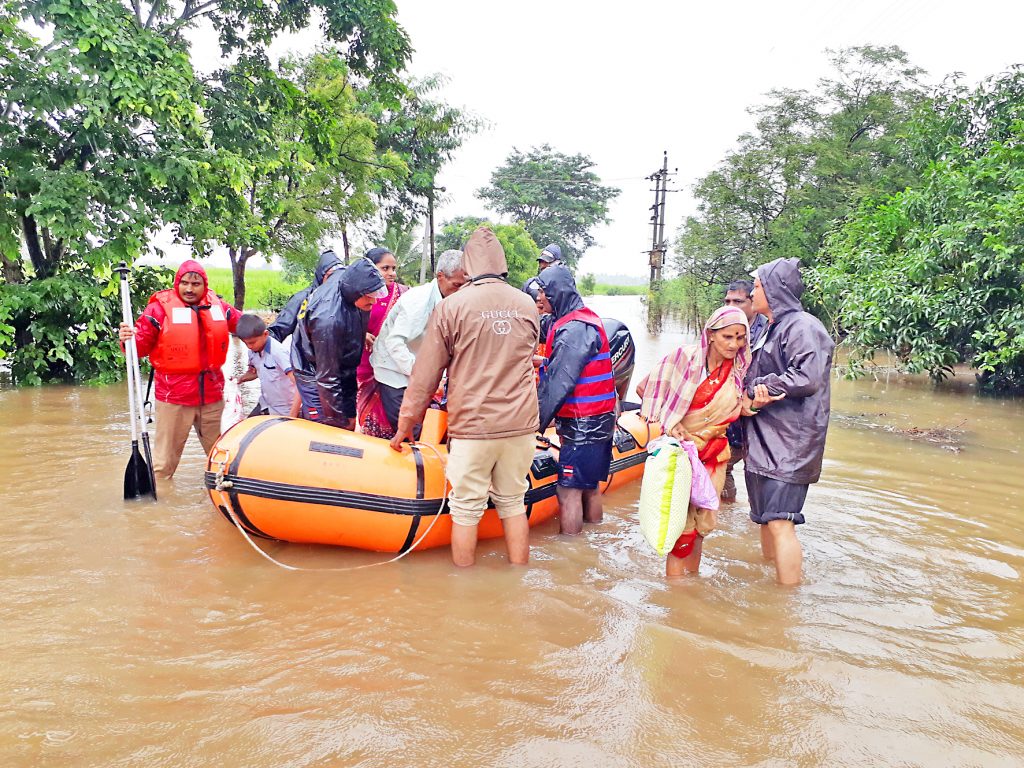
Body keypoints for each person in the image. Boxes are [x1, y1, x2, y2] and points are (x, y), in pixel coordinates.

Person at [391, 227, 539, 568]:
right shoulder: (527, 304)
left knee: (466, 508)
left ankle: (465, 590)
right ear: (502, 264)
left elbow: (425, 377)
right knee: (514, 502)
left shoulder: (451, 307)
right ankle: (519, 575)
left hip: (474, 426)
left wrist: (404, 425)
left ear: (468, 266)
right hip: (520, 425)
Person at [637, 306, 753, 576]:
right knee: (680, 528)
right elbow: (645, 388)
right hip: (681, 458)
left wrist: (757, 403)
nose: (734, 344)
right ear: (710, 335)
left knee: (703, 528)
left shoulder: (739, 369)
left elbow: (742, 407)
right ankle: (675, 593)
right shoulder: (684, 359)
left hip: (715, 457)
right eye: (727, 337)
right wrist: (671, 421)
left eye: (740, 338)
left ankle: (691, 583)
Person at [743, 257, 835, 586]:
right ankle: (770, 583)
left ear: (773, 289)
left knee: (782, 521)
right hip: (764, 441)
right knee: (765, 520)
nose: (751, 293)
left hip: (791, 444)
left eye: (756, 286)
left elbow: (808, 377)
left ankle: (787, 601)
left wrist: (761, 387)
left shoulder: (804, 327)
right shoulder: (769, 327)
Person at [117, 260, 239, 479]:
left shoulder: (219, 307)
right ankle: (158, 508)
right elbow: (139, 349)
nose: (189, 288)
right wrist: (127, 340)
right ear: (177, 284)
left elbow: (245, 326)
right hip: (174, 397)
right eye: (184, 283)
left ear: (205, 286)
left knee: (223, 460)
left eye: (195, 283)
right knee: (163, 466)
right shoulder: (158, 310)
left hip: (211, 396)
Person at [535, 265, 617, 535]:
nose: (539, 297)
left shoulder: (573, 329)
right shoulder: (584, 319)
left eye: (544, 292)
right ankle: (593, 542)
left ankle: (570, 555)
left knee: (567, 491)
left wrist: (534, 422)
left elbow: (560, 382)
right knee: (589, 487)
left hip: (584, 425)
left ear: (556, 293)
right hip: (599, 421)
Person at [368, 250, 467, 436]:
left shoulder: (451, 300)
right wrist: (421, 376)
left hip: (420, 373)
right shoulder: (419, 301)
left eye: (465, 285)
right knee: (411, 432)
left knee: (430, 429)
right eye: (457, 285)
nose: (461, 290)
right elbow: (394, 342)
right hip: (394, 372)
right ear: (440, 277)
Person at [290, 257, 388, 429]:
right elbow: (327, 379)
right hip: (313, 369)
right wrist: (337, 422)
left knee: (350, 419)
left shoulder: (350, 280)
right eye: (369, 297)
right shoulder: (329, 321)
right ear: (356, 292)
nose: (373, 302)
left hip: (345, 363)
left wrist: (349, 417)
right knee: (327, 427)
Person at [721, 278, 768, 501]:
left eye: (737, 301)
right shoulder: (721, 329)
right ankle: (728, 521)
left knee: (757, 474)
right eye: (727, 301)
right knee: (722, 470)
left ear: (752, 302)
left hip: (757, 416)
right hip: (729, 418)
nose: (730, 307)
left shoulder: (768, 332)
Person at [356, 247, 409, 436]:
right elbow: (348, 322)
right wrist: (360, 334)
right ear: (371, 268)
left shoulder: (404, 295)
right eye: (385, 268)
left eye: (393, 268)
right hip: (365, 360)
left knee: (393, 402)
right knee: (369, 406)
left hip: (394, 361)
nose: (392, 274)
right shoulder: (360, 293)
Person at [267, 249, 343, 343]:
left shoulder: (343, 299)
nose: (334, 281)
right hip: (305, 355)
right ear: (321, 276)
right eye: (331, 276)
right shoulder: (303, 299)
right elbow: (278, 329)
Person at [234, 314, 300, 417]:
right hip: (266, 404)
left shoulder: (278, 352)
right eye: (246, 343)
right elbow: (255, 372)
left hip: (285, 409)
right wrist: (239, 379)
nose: (249, 346)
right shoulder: (252, 351)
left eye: (252, 343)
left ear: (266, 334)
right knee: (247, 428)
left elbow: (299, 384)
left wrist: (292, 416)